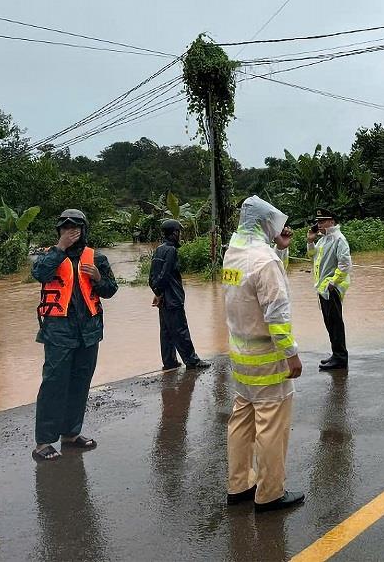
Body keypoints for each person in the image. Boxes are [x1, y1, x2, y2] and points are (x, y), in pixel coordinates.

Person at [223, 196, 304, 512]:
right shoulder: (265, 262)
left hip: (240, 355)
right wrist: (291, 354)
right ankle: (270, 492)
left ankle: (239, 484)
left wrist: (280, 248)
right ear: (266, 222)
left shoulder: (234, 254)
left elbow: (255, 288)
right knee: (271, 425)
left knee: (241, 421)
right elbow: (276, 313)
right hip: (268, 358)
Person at [32, 209, 118, 462]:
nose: (71, 232)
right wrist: (60, 247)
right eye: (65, 228)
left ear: (84, 230)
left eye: (76, 228)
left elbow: (111, 290)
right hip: (58, 332)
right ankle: (44, 442)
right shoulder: (49, 256)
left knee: (80, 384)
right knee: (53, 385)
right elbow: (39, 274)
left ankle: (70, 434)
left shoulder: (97, 258)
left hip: (88, 333)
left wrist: (99, 279)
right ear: (59, 231)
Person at [149, 219, 210, 371]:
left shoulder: (159, 249)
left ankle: (170, 362)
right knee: (180, 330)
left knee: (166, 332)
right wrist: (161, 292)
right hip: (172, 298)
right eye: (179, 232)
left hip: (163, 298)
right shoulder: (171, 251)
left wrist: (157, 293)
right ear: (175, 233)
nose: (180, 235)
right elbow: (165, 274)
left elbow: (152, 276)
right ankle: (192, 361)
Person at [306, 208, 352, 371]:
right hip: (323, 289)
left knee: (335, 323)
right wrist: (310, 241)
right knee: (329, 322)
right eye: (318, 222)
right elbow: (312, 257)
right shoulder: (323, 240)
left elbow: (345, 264)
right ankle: (336, 354)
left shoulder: (339, 239)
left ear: (332, 221)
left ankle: (340, 358)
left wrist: (333, 283)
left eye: (322, 221)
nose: (319, 225)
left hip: (332, 289)